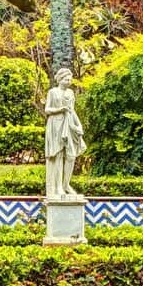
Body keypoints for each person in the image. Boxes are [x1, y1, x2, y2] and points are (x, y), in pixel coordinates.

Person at [44, 65, 85, 200]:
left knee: (71, 155)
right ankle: (58, 187)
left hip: (68, 124)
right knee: (58, 155)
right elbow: (47, 110)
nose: (69, 82)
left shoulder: (70, 93)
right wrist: (60, 109)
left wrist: (79, 126)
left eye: (70, 79)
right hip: (55, 125)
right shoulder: (53, 92)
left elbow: (72, 111)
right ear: (60, 79)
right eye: (66, 79)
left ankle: (66, 184)